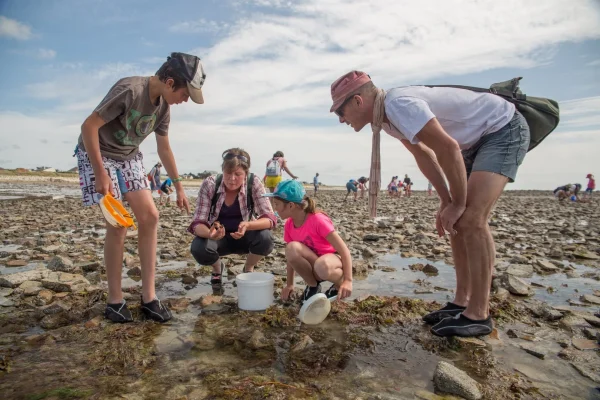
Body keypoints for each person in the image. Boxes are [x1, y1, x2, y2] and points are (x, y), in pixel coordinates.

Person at [330, 70, 530, 337]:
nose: (341, 120)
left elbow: (447, 148)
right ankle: (460, 302)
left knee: (471, 219)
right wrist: (446, 201)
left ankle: (479, 314)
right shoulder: (386, 120)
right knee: (455, 220)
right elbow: (424, 154)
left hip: (502, 129)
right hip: (471, 143)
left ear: (357, 101)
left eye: (340, 113)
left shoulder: (397, 105)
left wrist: (459, 202)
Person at [75, 52, 201, 323]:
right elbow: (89, 126)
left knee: (150, 217)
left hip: (128, 155)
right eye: (185, 93)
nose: (185, 100)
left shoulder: (164, 108)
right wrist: (100, 173)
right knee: (119, 224)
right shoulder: (129, 90)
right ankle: (115, 300)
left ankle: (149, 297)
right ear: (169, 82)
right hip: (97, 151)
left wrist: (178, 186)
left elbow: (164, 148)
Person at [188, 148, 276, 291]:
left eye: (238, 174)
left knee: (266, 238)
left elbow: (270, 219)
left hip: (245, 236)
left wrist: (248, 225)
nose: (232, 178)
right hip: (218, 239)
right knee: (199, 248)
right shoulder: (210, 184)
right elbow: (198, 222)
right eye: (228, 173)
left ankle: (248, 267)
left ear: (246, 173)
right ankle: (217, 268)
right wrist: (210, 234)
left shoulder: (254, 183)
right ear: (222, 170)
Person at [264, 180, 353, 303]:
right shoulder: (289, 224)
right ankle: (313, 286)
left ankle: (338, 284)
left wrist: (348, 280)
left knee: (322, 265)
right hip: (314, 265)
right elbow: (290, 258)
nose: (275, 208)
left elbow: (344, 251)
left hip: (331, 263)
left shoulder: (318, 220)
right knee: (291, 248)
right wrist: (290, 284)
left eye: (277, 204)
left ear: (290, 205)